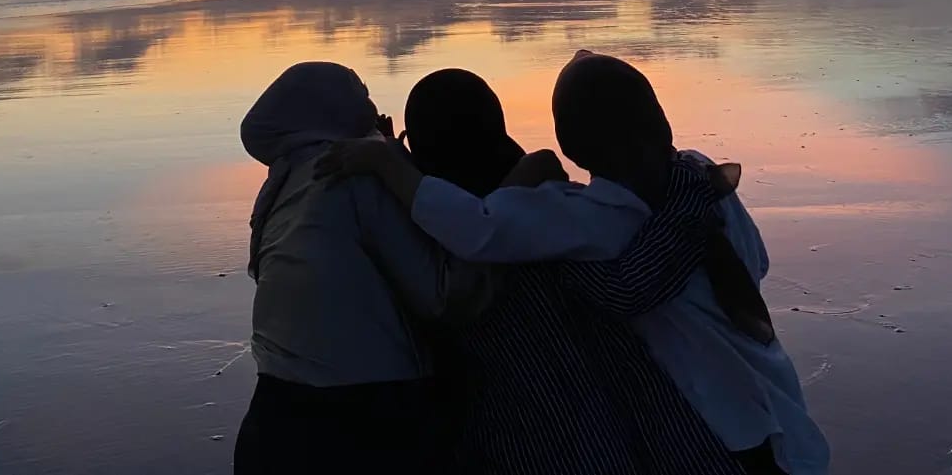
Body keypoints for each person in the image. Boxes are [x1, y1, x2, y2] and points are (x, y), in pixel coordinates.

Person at [322, 54, 829, 475]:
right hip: (768, 394)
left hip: (707, 425)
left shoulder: (578, 222)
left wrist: (387, 162)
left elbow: (475, 228)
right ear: (660, 119)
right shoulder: (704, 179)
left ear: (572, 144)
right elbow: (755, 262)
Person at [233, 61, 490, 475]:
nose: (371, 107)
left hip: (272, 421)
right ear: (332, 109)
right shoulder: (355, 176)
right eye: (361, 95)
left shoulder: (279, 188)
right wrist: (503, 211)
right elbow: (442, 296)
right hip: (360, 422)